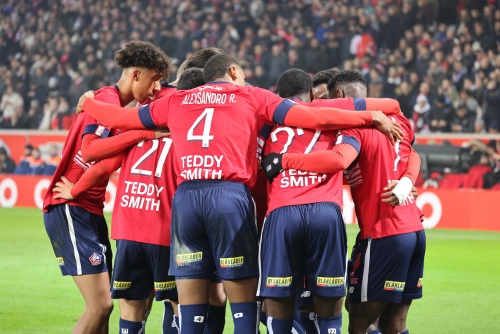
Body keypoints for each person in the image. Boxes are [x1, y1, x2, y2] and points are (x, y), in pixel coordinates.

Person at [74, 54, 402, 334]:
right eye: (242, 73)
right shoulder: (252, 97)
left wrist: (88, 102)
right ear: (233, 72)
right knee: (242, 303)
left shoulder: (175, 100)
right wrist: (370, 116)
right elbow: (315, 115)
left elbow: (119, 118)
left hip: (186, 199)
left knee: (191, 307)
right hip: (229, 197)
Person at [262, 71, 425, 334]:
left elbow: (339, 159)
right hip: (413, 229)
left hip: (383, 232)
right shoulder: (399, 121)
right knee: (394, 323)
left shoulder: (353, 128)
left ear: (336, 97)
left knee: (361, 321)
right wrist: (407, 181)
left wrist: (284, 161)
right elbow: (413, 153)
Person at [43, 41, 170, 334]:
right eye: (154, 80)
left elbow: (108, 162)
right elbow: (90, 151)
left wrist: (138, 135)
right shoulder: (106, 100)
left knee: (103, 309)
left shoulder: (116, 109)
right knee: (101, 306)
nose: (154, 90)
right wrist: (144, 133)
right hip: (70, 208)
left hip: (89, 208)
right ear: (136, 74)